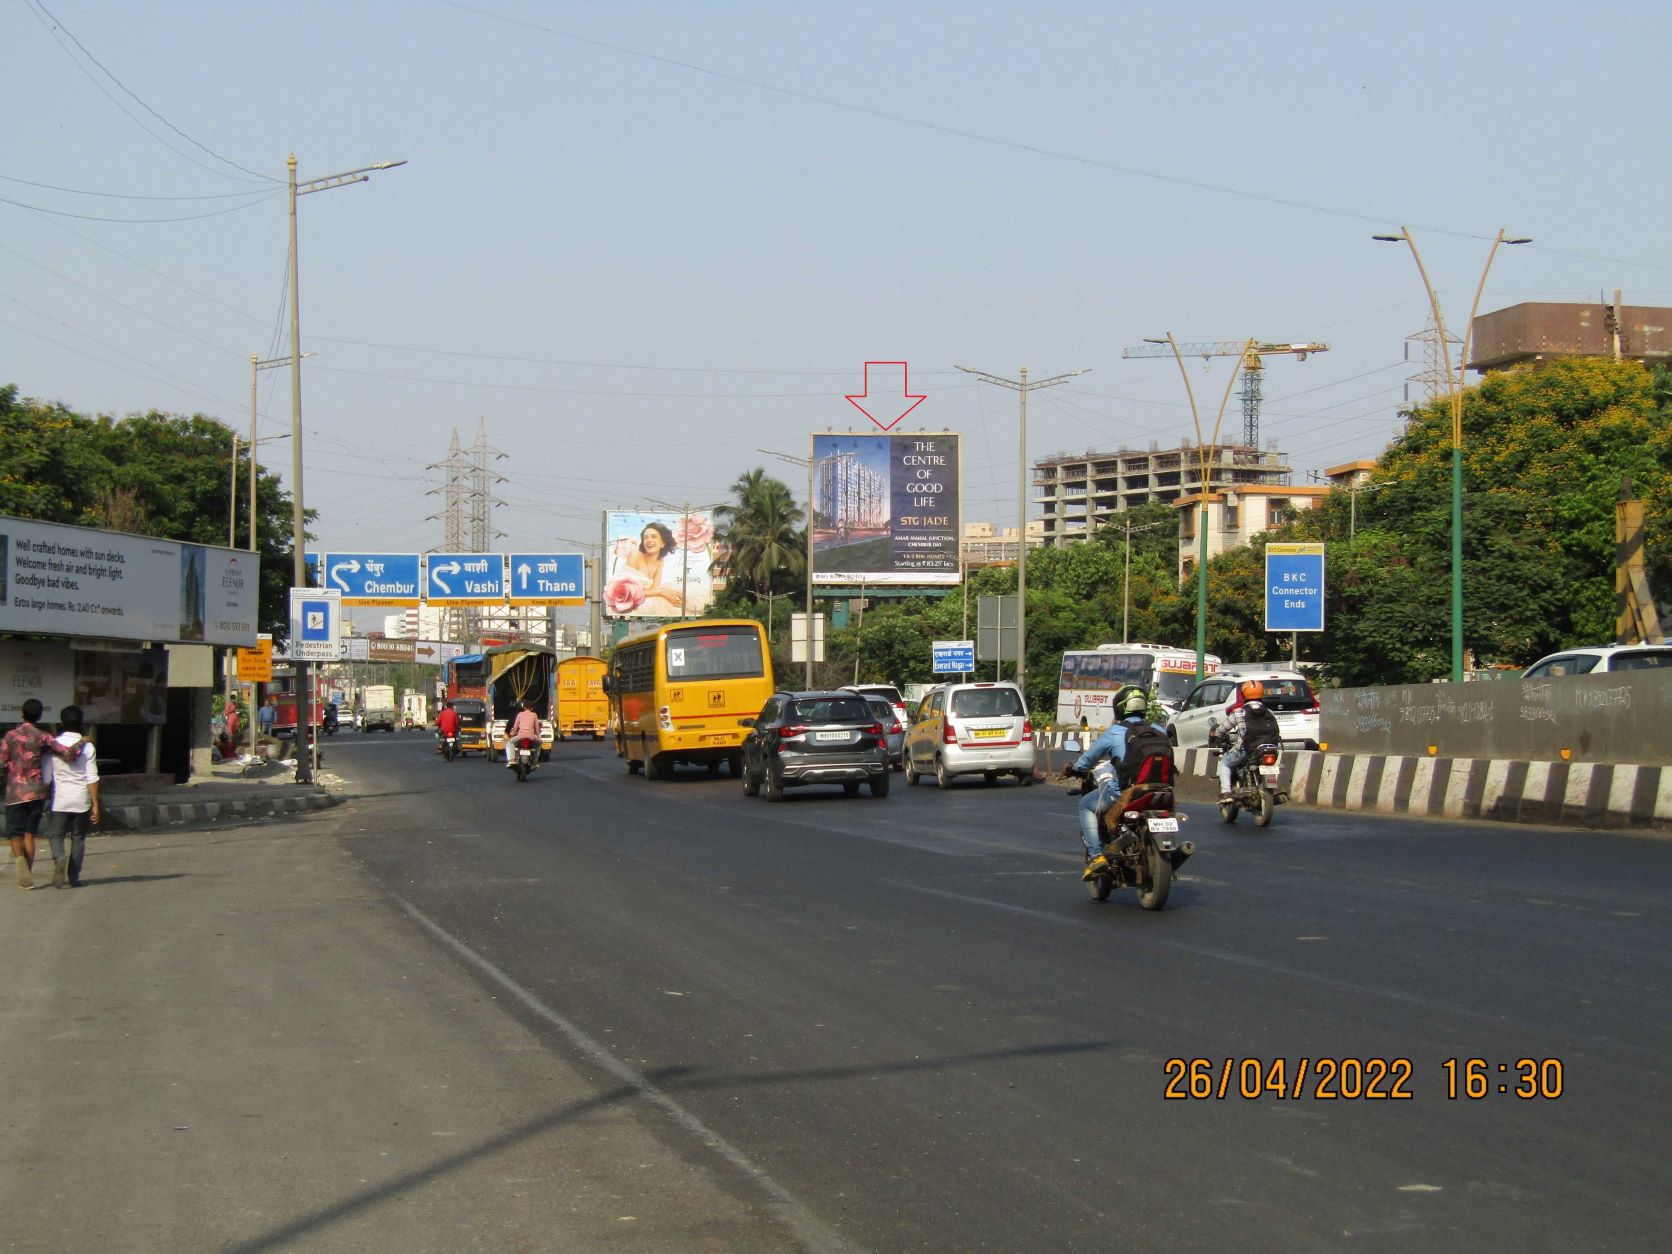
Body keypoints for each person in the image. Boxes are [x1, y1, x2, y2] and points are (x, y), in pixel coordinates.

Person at [1069, 687, 1172, 880]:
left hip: (1126, 793)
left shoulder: (1115, 732)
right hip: (1162, 791)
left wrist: (1075, 768)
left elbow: (1087, 760)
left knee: (1086, 806)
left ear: (1120, 708)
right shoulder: (1159, 730)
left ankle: (1096, 857)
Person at [2, 698, 87, 890]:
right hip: (36, 792)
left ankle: (20, 862)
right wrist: (82, 741)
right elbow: (67, 754)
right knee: (29, 833)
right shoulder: (44, 737)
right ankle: (28, 873)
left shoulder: (10, 736)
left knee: (14, 833)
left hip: (14, 791)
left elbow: (2, 761)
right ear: (39, 716)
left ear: (22, 713)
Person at [43, 705, 98, 888]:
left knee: (55, 835)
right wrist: (95, 804)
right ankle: (74, 877)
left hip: (60, 800)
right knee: (79, 837)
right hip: (81, 800)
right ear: (81, 723)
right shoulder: (88, 747)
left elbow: (47, 778)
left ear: (61, 723)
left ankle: (59, 858)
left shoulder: (53, 746)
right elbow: (92, 777)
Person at [1214, 680, 1283, 802]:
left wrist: (1214, 734)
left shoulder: (1239, 712)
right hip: (1269, 750)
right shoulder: (1269, 712)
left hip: (1246, 750)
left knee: (1225, 763)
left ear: (1244, 695)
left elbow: (1222, 730)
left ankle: (1226, 793)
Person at [609, 522, 683, 616]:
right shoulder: (635, 555)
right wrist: (662, 591)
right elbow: (629, 592)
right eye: (646, 537)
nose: (649, 540)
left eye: (654, 536)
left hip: (643, 600)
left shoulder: (660, 560)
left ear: (663, 543)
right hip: (624, 601)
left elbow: (655, 588)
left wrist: (662, 591)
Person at [504, 700, 541, 769]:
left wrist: (513, 733)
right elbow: (537, 727)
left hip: (521, 736)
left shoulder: (520, 714)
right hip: (531, 737)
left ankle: (511, 760)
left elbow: (515, 726)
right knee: (538, 744)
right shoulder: (534, 715)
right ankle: (535, 762)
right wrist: (538, 736)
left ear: (523, 707)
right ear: (531, 708)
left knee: (509, 743)